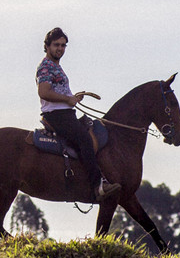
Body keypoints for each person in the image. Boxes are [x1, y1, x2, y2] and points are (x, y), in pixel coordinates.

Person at [36, 27, 121, 202]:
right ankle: (98, 186)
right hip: (56, 115)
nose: (60, 48)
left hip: (65, 113)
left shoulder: (56, 67)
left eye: (63, 45)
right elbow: (44, 92)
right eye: (56, 45)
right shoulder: (45, 67)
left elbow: (56, 92)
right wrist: (67, 100)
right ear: (47, 46)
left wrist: (72, 98)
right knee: (85, 139)